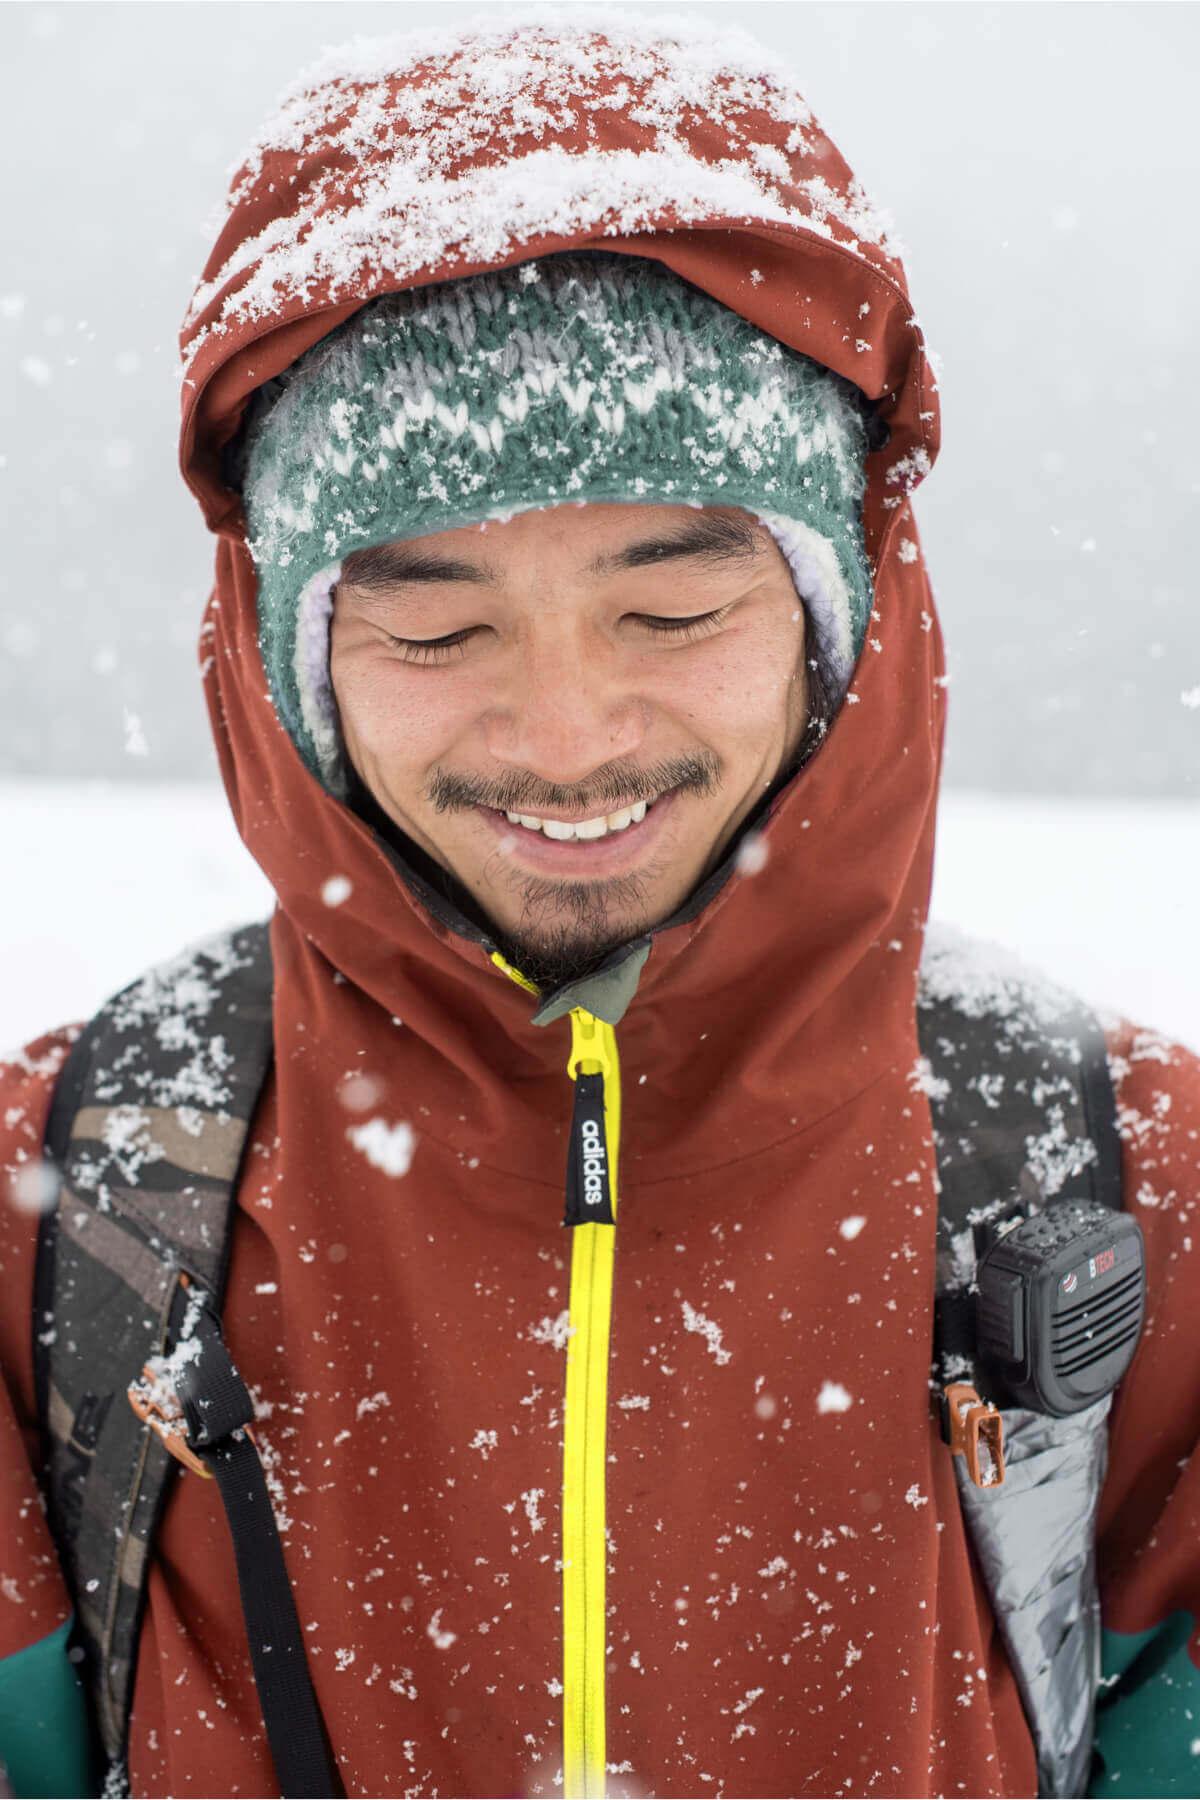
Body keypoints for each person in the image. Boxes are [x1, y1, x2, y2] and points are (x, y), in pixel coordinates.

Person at [2, 14, 1198, 1799]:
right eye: (433, 623)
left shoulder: (1135, 1195)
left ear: (843, 613)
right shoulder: (65, 1211)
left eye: (673, 605)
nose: (564, 737)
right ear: (284, 653)